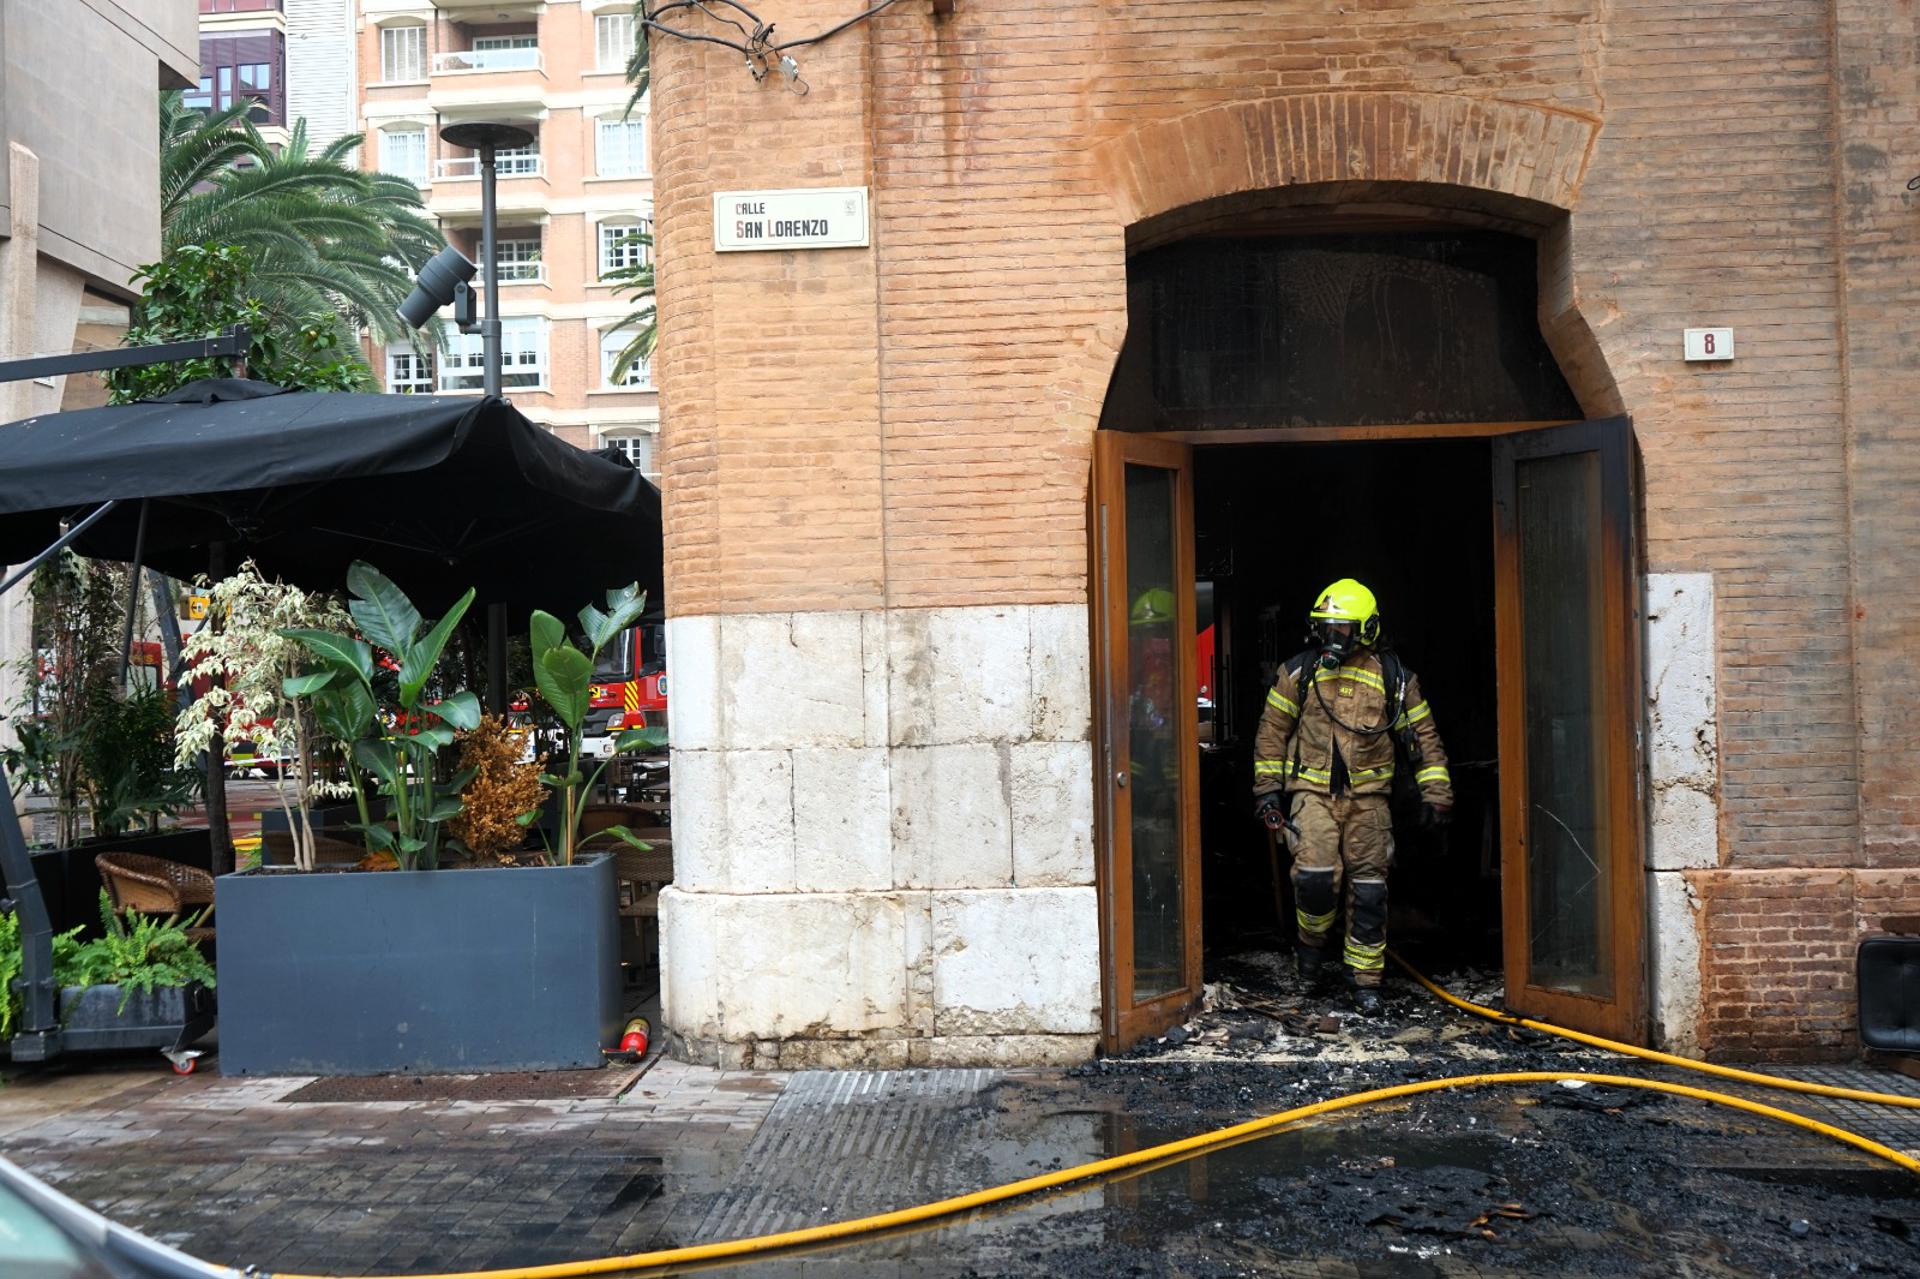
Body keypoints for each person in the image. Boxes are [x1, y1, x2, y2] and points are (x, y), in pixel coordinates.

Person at [1252, 578, 1452, 1014]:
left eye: (1342, 628)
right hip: (1312, 795)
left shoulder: (1395, 679)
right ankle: (1308, 959)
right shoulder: (1299, 674)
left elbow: (1423, 738)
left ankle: (1364, 981)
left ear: (1367, 629)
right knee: (1315, 881)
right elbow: (1271, 734)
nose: (1332, 637)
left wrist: (1436, 794)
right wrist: (1268, 793)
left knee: (1368, 892)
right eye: (1326, 627)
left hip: (1369, 804)